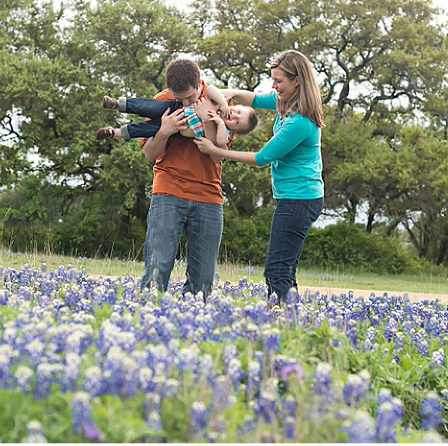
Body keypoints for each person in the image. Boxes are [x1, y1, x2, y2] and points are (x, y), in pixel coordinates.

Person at [194, 50, 324, 307]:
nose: (274, 86)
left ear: (297, 80)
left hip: (298, 199)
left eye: (279, 81)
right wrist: (226, 94)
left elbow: (262, 157)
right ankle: (292, 317)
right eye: (272, 79)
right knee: (286, 267)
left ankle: (279, 317)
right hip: (296, 197)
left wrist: (217, 152)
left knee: (276, 268)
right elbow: (253, 98)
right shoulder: (284, 103)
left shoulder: (300, 122)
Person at [131, 57, 233, 298]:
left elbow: (220, 155)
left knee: (202, 283)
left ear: (200, 83)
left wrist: (208, 120)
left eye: (190, 97)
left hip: (209, 196)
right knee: (157, 269)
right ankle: (148, 325)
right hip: (167, 192)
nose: (185, 103)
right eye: (179, 99)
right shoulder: (160, 102)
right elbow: (149, 154)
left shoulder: (219, 102)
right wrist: (165, 131)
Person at [96, 92, 258, 143]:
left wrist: (219, 123)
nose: (233, 116)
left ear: (235, 130)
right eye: (237, 112)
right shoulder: (221, 101)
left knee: (146, 129)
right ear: (236, 106)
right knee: (148, 106)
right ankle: (117, 103)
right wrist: (222, 103)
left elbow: (221, 142)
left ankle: (113, 132)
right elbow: (212, 90)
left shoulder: (224, 130)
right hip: (178, 108)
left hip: (177, 128)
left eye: (236, 122)